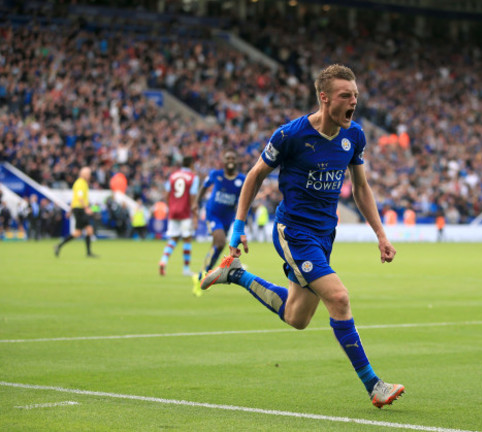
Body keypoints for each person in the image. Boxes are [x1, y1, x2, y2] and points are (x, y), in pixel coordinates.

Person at [196, 64, 404, 408]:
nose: (354, 101)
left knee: (297, 317)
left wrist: (381, 235)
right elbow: (254, 176)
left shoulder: (354, 136)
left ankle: (236, 274)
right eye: (345, 95)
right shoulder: (290, 135)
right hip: (294, 232)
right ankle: (374, 384)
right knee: (338, 298)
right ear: (324, 98)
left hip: (324, 235)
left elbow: (361, 188)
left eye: (355, 95)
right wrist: (238, 226)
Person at [193, 149, 245, 280]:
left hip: (227, 218)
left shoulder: (241, 180)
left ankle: (204, 273)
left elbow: (245, 198)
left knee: (217, 246)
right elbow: (204, 187)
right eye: (228, 158)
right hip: (213, 214)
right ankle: (204, 274)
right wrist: (196, 202)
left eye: (233, 158)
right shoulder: (215, 175)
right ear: (223, 161)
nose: (230, 161)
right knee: (221, 242)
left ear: (237, 160)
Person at [159, 156, 199, 276]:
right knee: (187, 239)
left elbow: (166, 193)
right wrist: (195, 216)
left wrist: (170, 205)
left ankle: (163, 261)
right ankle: (186, 269)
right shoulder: (193, 178)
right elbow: (193, 197)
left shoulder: (173, 176)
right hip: (185, 212)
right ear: (191, 164)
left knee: (173, 238)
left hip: (173, 211)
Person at [54, 166, 98, 257]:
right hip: (80, 210)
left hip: (77, 209)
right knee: (80, 232)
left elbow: (74, 199)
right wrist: (86, 208)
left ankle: (59, 246)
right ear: (84, 174)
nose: (89, 176)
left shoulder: (80, 183)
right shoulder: (81, 183)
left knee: (87, 230)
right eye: (89, 174)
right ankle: (59, 246)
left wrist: (70, 211)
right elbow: (80, 198)